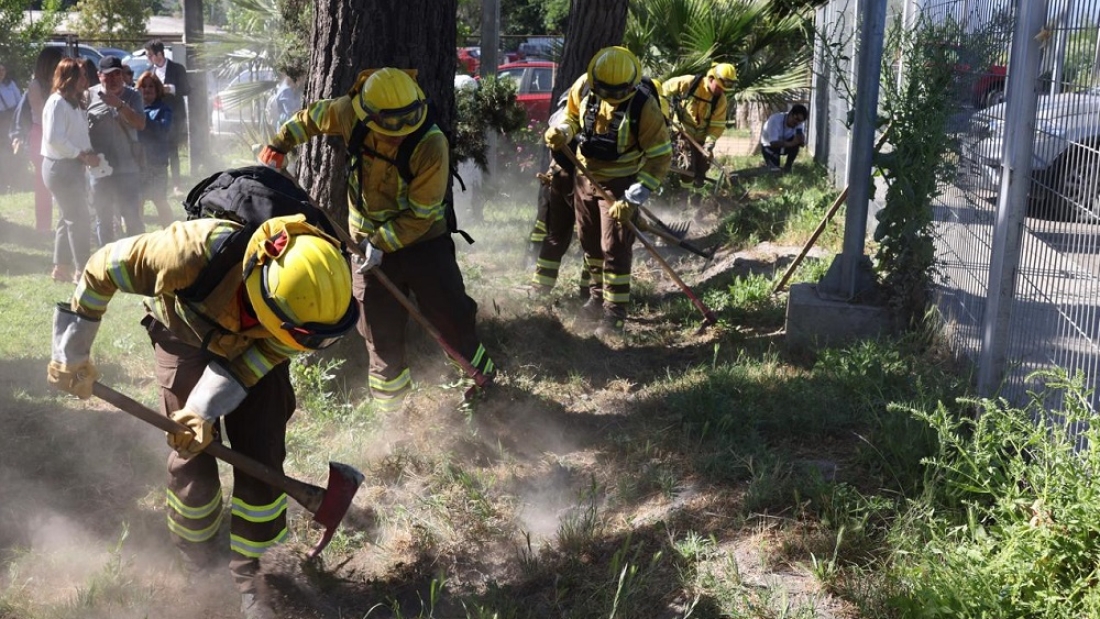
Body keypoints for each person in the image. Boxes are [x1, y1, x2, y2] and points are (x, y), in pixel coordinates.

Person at [46, 213, 358, 619]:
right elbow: (99, 268)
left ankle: (259, 582)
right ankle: (199, 567)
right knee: (191, 461)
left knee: (261, 458)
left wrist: (203, 408)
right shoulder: (185, 255)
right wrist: (71, 353)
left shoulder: (307, 314)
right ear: (265, 300)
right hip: (182, 334)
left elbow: (259, 356)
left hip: (254, 348)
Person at [259, 67, 496, 411]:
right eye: (391, 126)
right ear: (367, 116)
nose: (400, 133)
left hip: (423, 242)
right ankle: (392, 413)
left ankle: (483, 382)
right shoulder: (347, 112)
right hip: (365, 242)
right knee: (377, 329)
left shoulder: (431, 143)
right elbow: (309, 119)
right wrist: (279, 144)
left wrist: (381, 243)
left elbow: (421, 213)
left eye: (407, 122)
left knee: (451, 314)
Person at [543, 46, 672, 336]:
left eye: (618, 94)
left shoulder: (645, 107)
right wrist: (562, 131)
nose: (612, 99)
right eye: (607, 92)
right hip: (584, 177)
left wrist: (633, 197)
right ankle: (597, 297)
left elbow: (661, 156)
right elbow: (571, 115)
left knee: (614, 246)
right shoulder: (585, 86)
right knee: (589, 243)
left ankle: (615, 314)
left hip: (621, 183)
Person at [41, 57, 100, 284]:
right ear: (70, 78)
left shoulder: (74, 102)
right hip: (60, 167)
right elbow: (55, 139)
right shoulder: (57, 102)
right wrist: (82, 155)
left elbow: (77, 134)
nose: (86, 79)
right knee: (79, 219)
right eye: (82, 75)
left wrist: (87, 154)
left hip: (70, 165)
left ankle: (61, 268)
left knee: (67, 218)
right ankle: (82, 271)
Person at [87, 55, 146, 245]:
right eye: (108, 76)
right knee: (103, 219)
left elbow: (140, 124)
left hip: (128, 168)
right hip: (99, 169)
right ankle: (105, 264)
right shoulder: (88, 95)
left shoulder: (133, 95)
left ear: (122, 74)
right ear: (99, 76)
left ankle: (136, 261)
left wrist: (119, 105)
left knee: (132, 218)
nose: (113, 79)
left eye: (117, 74)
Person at [662, 62, 735, 195]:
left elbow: (717, 125)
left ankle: (698, 198)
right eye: (719, 87)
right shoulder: (690, 82)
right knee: (687, 165)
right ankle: (684, 197)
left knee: (702, 167)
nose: (721, 91)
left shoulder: (720, 99)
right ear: (711, 78)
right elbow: (663, 89)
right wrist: (663, 108)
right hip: (682, 130)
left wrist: (709, 144)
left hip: (702, 136)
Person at [15, 47, 63, 232]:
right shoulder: (35, 85)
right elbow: (43, 114)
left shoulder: (57, 82)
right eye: (57, 62)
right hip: (41, 134)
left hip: (54, 133)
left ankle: (61, 223)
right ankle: (43, 227)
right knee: (42, 183)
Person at [144, 39, 190, 192]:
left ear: (159, 54)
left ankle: (177, 184)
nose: (148, 58)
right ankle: (155, 182)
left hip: (174, 115)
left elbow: (186, 89)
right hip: (156, 115)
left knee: (173, 150)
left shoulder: (177, 69)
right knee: (155, 149)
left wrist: (170, 88)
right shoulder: (150, 71)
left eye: (150, 55)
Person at [137, 71, 175, 227]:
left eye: (151, 86)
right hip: (138, 163)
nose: (147, 89)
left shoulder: (164, 110)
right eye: (143, 86)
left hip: (156, 163)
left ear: (157, 89)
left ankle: (171, 233)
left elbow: (163, 130)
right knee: (138, 201)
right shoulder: (134, 109)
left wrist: (142, 120)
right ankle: (137, 236)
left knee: (159, 200)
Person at [760, 103, 808, 173]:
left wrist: (801, 141)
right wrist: (792, 143)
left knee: (796, 143)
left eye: (800, 121)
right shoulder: (775, 120)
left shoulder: (799, 124)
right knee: (775, 171)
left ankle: (788, 167)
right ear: (790, 113)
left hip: (785, 143)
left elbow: (800, 143)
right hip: (770, 146)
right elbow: (773, 143)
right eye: (796, 119)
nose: (797, 123)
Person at [0, 63, 21, 192]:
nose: (1, 72)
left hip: (11, 120)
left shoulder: (10, 84)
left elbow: (19, 101)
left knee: (12, 151)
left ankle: (13, 181)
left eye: (2, 70)